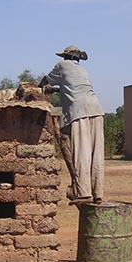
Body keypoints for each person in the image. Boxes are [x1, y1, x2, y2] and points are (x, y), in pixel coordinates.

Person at [40, 45, 104, 204]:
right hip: (96, 109)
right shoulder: (81, 71)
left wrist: (38, 87)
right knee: (97, 155)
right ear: (77, 58)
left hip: (79, 110)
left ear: (65, 57)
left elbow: (46, 80)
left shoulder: (61, 66)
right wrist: (56, 90)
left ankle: (84, 194)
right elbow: (71, 87)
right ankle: (98, 194)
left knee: (82, 152)